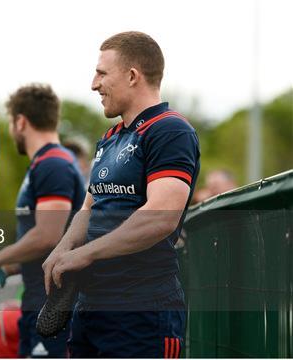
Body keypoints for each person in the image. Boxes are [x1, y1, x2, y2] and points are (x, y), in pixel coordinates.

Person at [43, 31, 200, 358]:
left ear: (132, 76)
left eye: (102, 73)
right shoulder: (111, 137)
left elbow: (161, 218)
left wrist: (86, 254)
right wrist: (64, 247)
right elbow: (90, 205)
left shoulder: (170, 130)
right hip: (91, 308)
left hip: (141, 310)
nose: (93, 84)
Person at [0, 84, 86, 357]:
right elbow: (42, 247)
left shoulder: (54, 164)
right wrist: (6, 269)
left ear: (21, 121)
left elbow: (47, 235)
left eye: (10, 122)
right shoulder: (43, 164)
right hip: (36, 305)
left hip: (53, 310)